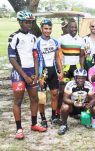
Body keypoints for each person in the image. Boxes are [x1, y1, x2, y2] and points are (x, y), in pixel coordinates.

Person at [8, 10, 47, 139]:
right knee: (18, 101)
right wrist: (24, 76)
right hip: (19, 73)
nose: (29, 24)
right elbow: (12, 58)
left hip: (31, 72)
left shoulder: (33, 37)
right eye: (26, 22)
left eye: (31, 22)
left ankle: (34, 124)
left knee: (34, 98)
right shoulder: (14, 36)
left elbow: (35, 56)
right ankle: (19, 129)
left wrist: (36, 73)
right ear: (20, 22)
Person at [36, 19, 63, 128]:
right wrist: (38, 76)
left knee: (55, 94)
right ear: (41, 28)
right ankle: (42, 118)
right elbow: (35, 60)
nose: (48, 31)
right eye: (46, 28)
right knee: (42, 96)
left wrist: (60, 71)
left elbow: (57, 57)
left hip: (52, 71)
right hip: (43, 71)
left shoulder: (55, 42)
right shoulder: (37, 42)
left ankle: (54, 117)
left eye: (50, 28)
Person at [57, 19, 85, 119]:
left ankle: (73, 112)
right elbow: (58, 55)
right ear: (68, 28)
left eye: (75, 27)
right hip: (65, 68)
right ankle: (58, 112)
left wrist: (82, 68)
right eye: (72, 27)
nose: (74, 29)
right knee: (62, 91)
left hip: (76, 67)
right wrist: (60, 69)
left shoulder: (81, 40)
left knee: (75, 90)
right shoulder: (61, 38)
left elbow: (82, 56)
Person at [58, 69, 95, 135]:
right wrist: (74, 103)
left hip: (84, 106)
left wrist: (89, 105)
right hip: (73, 106)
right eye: (78, 78)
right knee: (65, 106)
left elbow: (94, 99)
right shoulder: (70, 84)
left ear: (85, 78)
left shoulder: (88, 85)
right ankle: (64, 125)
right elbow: (65, 99)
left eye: (83, 78)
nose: (81, 80)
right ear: (75, 78)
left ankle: (86, 121)